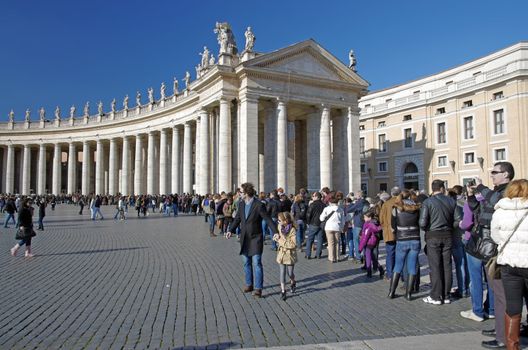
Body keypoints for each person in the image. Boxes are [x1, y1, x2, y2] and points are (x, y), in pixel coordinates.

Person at [468, 161, 514, 349]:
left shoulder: (507, 192)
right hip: (487, 246)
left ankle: (505, 336)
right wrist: (471, 196)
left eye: (495, 172)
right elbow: (478, 211)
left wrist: (481, 187)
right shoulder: (496, 191)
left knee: (502, 293)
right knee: (496, 290)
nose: (492, 174)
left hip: (498, 249)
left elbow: (495, 200)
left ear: (506, 175)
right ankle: (500, 329)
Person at [491, 179, 528, 350]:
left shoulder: (500, 210)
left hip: (508, 264)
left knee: (513, 307)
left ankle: (512, 346)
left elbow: (496, 237)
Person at [226, 182, 278, 298]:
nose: (239, 194)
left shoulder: (259, 205)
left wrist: (275, 232)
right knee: (246, 262)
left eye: (241, 192)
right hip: (245, 238)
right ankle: (249, 284)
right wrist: (231, 230)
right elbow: (237, 219)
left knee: (257, 263)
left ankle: (258, 288)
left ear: (247, 193)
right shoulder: (241, 204)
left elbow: (268, 219)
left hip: (256, 238)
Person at [420, 179, 461, 305]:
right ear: (442, 188)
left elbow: (422, 223)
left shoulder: (428, 202)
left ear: (433, 189)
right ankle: (446, 295)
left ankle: (436, 296)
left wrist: (428, 228)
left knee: (435, 266)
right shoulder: (451, 201)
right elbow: (458, 219)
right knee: (447, 265)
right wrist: (449, 226)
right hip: (448, 235)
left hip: (433, 236)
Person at [388, 190, 421, 300]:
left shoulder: (396, 209)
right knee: (412, 267)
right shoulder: (417, 208)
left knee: (398, 266)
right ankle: (408, 293)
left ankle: (391, 292)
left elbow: (393, 226)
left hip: (402, 238)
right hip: (415, 238)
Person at [273, 211, 297, 301]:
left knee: (290, 273)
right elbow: (279, 236)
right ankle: (283, 291)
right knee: (282, 273)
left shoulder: (292, 230)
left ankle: (293, 282)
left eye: (279, 220)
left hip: (290, 254)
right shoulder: (279, 227)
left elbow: (293, 244)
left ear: (285, 221)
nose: (278, 222)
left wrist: (280, 241)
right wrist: (276, 237)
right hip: (282, 253)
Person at [320, 194, 345, 263]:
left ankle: (331, 258)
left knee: (330, 243)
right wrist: (342, 227)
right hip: (337, 227)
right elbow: (343, 220)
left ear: (330, 202)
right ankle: (337, 257)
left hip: (328, 227)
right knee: (337, 242)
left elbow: (321, 219)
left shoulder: (326, 209)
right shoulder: (340, 209)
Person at [358, 210, 382, 278]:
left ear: (370, 217)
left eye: (365, 217)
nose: (364, 219)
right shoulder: (375, 223)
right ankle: (381, 269)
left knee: (368, 257)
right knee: (373, 258)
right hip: (373, 242)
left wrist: (360, 248)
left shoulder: (368, 225)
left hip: (369, 243)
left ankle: (369, 272)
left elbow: (365, 237)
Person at [305, 191, 326, 259]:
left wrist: (308, 222)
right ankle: (318, 254)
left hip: (313, 223)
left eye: (313, 196)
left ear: (317, 197)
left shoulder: (312, 205)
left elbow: (308, 214)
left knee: (310, 239)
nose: (312, 197)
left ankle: (308, 254)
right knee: (320, 239)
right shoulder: (324, 205)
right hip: (321, 224)